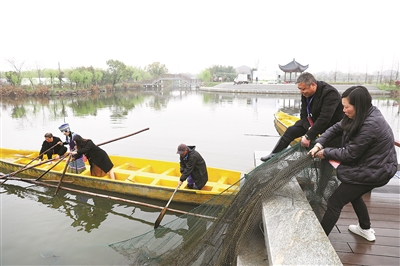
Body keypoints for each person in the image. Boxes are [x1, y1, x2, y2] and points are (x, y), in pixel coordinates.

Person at [309, 86, 397, 241]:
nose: (343, 110)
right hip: (373, 165)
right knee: (353, 194)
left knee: (335, 201)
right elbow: (336, 128)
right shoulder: (362, 113)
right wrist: (319, 144)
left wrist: (326, 152)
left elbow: (350, 154)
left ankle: (318, 241)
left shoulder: (370, 125)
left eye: (346, 107)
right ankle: (365, 228)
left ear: (359, 106)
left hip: (376, 171)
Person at [261, 72, 344, 161]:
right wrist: (309, 127)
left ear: (313, 85)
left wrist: (309, 136)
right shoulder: (306, 93)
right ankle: (274, 155)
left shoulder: (330, 93)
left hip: (331, 125)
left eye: (303, 89)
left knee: (324, 148)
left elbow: (324, 118)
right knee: (291, 131)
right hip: (313, 121)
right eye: (300, 89)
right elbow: (303, 114)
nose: (301, 92)